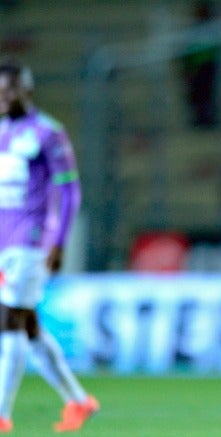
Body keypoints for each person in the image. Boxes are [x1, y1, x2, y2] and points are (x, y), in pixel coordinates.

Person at [0, 58, 99, 432]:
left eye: (11, 89)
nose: (4, 97)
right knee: (27, 325)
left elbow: (69, 190)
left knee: (7, 319)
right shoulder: (2, 133)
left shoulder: (47, 132)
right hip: (3, 240)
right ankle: (79, 401)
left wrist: (58, 242)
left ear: (27, 90)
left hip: (31, 240)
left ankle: (2, 413)